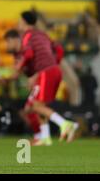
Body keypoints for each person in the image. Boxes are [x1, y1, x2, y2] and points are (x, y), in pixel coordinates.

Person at [11, 11, 77, 145]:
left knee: (36, 105)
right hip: (53, 71)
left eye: (19, 21)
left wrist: (19, 67)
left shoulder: (27, 36)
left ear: (23, 22)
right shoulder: (42, 35)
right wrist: (54, 63)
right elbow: (59, 49)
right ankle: (45, 137)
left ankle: (64, 123)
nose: (18, 23)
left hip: (46, 72)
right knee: (34, 106)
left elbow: (28, 54)